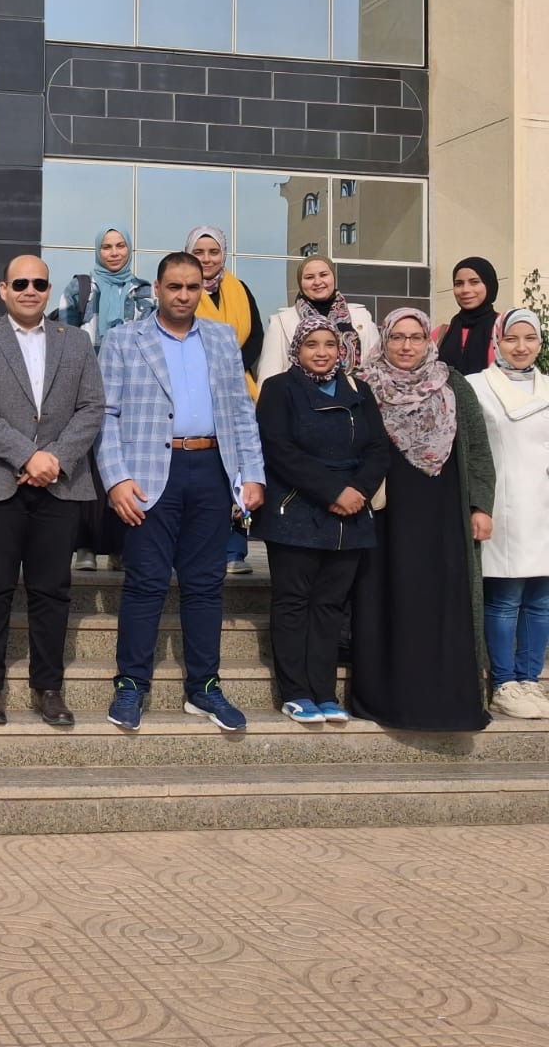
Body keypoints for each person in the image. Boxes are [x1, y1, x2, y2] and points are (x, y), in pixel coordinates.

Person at [98, 251, 266, 732]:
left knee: (205, 585)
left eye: (193, 287)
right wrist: (116, 478)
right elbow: (105, 414)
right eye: (174, 286)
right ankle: (131, 683)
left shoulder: (221, 337)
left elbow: (240, 410)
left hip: (212, 469)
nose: (184, 295)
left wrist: (252, 473)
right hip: (150, 473)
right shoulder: (124, 339)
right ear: (157, 289)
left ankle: (204, 686)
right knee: (146, 582)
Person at [0, 254, 104, 726]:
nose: (29, 291)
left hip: (60, 485)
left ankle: (48, 687)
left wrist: (53, 460)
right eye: (19, 283)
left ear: (48, 290)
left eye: (39, 283)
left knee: (52, 590)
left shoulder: (76, 341)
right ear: (3, 290)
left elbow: (92, 407)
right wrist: (28, 456)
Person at [351, 308, 494, 732]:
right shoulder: (364, 384)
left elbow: (478, 449)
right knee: (388, 597)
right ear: (385, 340)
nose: (406, 346)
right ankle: (388, 702)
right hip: (386, 516)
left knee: (442, 600)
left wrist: (481, 505)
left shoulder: (453, 384)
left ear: (428, 341)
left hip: (443, 513)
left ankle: (448, 704)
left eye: (415, 337)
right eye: (397, 337)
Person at [253, 315, 390, 724]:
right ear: (297, 349)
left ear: (342, 349)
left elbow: (378, 448)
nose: (322, 352)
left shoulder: (359, 390)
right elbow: (278, 449)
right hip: (297, 508)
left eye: (330, 344)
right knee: (293, 602)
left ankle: (325, 693)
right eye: (312, 344)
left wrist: (357, 491)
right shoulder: (279, 389)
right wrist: (332, 492)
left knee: (330, 605)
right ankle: (295, 692)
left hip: (352, 512)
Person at [53, 225, 155, 571]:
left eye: (120, 245)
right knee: (85, 467)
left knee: (124, 465)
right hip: (85, 388)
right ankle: (84, 545)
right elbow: (64, 340)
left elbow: (150, 341)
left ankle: (119, 545)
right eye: (107, 247)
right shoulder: (80, 288)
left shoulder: (143, 291)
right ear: (98, 251)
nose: (114, 252)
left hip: (130, 391)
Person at [467, 310, 549, 719]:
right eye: (511, 338)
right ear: (497, 341)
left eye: (529, 338)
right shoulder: (476, 386)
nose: (521, 347)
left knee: (541, 598)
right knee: (506, 596)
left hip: (543, 505)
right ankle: (503, 683)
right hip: (499, 504)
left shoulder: (548, 386)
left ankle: (530, 679)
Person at [185, 225, 264, 575]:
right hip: (195, 390)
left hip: (237, 390)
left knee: (236, 469)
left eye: (213, 252)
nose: (206, 259)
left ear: (224, 254)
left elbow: (256, 337)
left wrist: (230, 368)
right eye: (199, 252)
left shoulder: (240, 289)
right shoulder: (183, 291)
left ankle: (234, 551)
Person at [255, 255, 381, 384]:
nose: (317, 282)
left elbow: (376, 367)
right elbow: (268, 376)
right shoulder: (280, 322)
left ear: (333, 277)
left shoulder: (362, 316)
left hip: (355, 393)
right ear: (300, 283)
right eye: (309, 277)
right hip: (299, 394)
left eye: (323, 275)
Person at [436, 257, 500, 374]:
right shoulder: (441, 334)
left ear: (489, 284)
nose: (465, 290)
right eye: (459, 284)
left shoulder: (505, 329)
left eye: (474, 282)